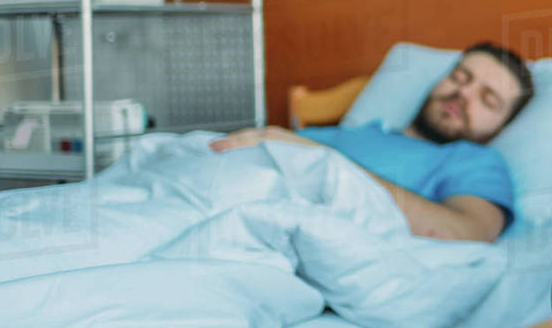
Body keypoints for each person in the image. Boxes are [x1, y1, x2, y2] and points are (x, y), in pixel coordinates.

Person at [211, 41, 534, 243]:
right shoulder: (351, 133)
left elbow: (465, 234)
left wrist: (323, 161)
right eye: (459, 78)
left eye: (488, 99)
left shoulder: (474, 162)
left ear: (499, 129)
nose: (463, 94)